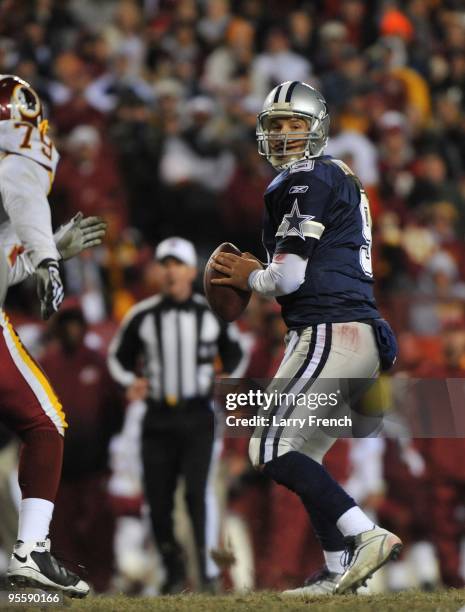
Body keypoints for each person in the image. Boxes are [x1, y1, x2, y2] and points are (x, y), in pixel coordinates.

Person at [210, 80, 401, 596]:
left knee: (269, 446)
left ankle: (364, 535)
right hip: (353, 333)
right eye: (276, 125)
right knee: (302, 454)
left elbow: (287, 280)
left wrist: (250, 275)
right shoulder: (336, 175)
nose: (286, 135)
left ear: (316, 126)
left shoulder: (304, 179)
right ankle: (340, 568)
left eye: (296, 124)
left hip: (328, 330)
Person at [0, 74, 106, 597]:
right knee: (45, 421)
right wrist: (47, 258)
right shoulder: (18, 152)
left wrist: (50, 250)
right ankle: (31, 552)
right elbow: (23, 196)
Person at [108, 237, 248, 593]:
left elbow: (236, 354)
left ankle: (205, 573)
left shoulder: (210, 314)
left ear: (190, 271)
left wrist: (228, 379)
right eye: (164, 264)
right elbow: (117, 358)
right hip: (157, 418)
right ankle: (172, 570)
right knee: (158, 499)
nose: (170, 271)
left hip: (197, 416)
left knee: (197, 495)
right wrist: (130, 380)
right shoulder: (142, 315)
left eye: (177, 264)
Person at [40, 300, 125, 593]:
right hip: (60, 468)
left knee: (97, 526)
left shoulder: (97, 362)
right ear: (58, 327)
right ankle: (68, 585)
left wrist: (100, 443)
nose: (72, 329)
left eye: (77, 322)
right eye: (67, 323)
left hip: (94, 465)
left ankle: (101, 582)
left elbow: (116, 410)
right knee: (61, 531)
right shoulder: (46, 364)